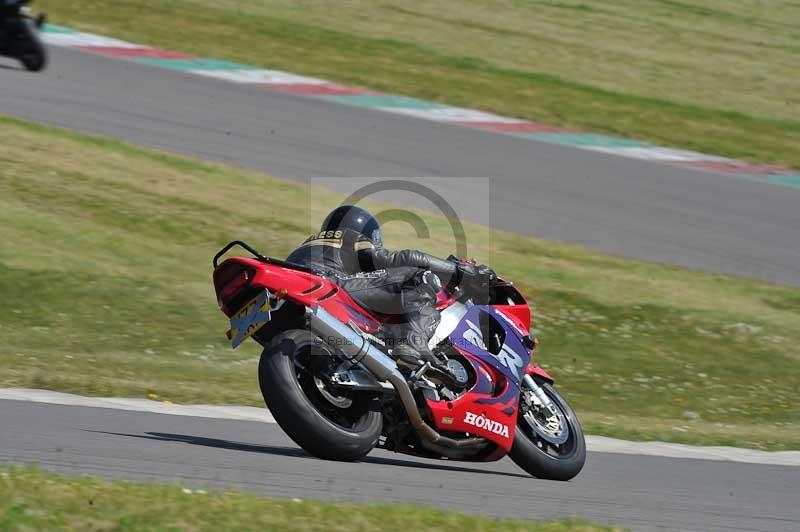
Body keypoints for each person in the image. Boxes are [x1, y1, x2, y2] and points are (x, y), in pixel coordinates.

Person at [286, 205, 496, 381]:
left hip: (300, 300)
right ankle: (413, 346)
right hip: (332, 285)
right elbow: (401, 259)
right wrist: (458, 271)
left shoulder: (308, 246)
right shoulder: (348, 238)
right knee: (420, 278)